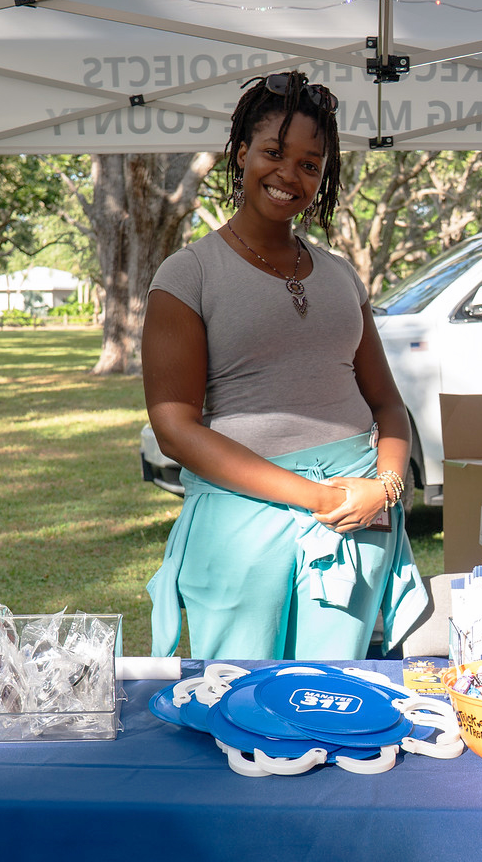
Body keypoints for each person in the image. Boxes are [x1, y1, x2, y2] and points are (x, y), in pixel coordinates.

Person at [143, 71, 425, 660]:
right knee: (240, 700)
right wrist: (312, 497)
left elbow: (388, 405)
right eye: (274, 152)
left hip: (355, 520)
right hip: (247, 523)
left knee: (335, 696)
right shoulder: (187, 275)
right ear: (241, 153)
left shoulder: (343, 275)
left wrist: (387, 486)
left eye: (310, 164)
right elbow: (175, 429)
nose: (289, 175)